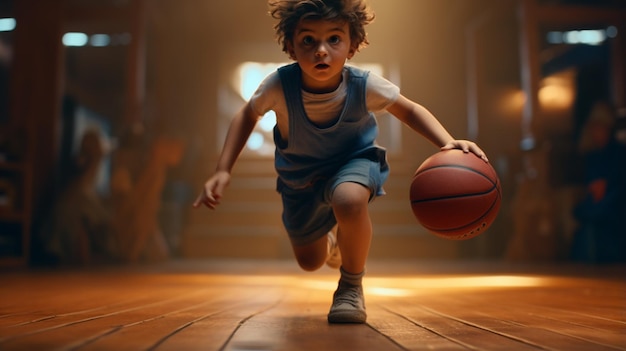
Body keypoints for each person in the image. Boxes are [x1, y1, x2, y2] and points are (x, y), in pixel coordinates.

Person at [194, 0, 488, 324]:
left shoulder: (364, 84)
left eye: (334, 39)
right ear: (291, 47)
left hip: (353, 161)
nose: (322, 50)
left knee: (348, 201)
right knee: (309, 261)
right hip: (300, 181)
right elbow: (246, 115)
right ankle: (336, 244)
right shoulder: (279, 85)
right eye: (309, 40)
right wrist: (222, 170)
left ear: (352, 45)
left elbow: (410, 110)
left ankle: (350, 286)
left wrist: (447, 141)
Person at [570, 101, 626, 263]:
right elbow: (591, 185)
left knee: (602, 215)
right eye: (594, 127)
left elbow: (619, 184)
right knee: (584, 214)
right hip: (596, 202)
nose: (597, 132)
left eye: (600, 127)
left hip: (615, 203)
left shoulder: (619, 153)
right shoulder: (592, 156)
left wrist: (606, 188)